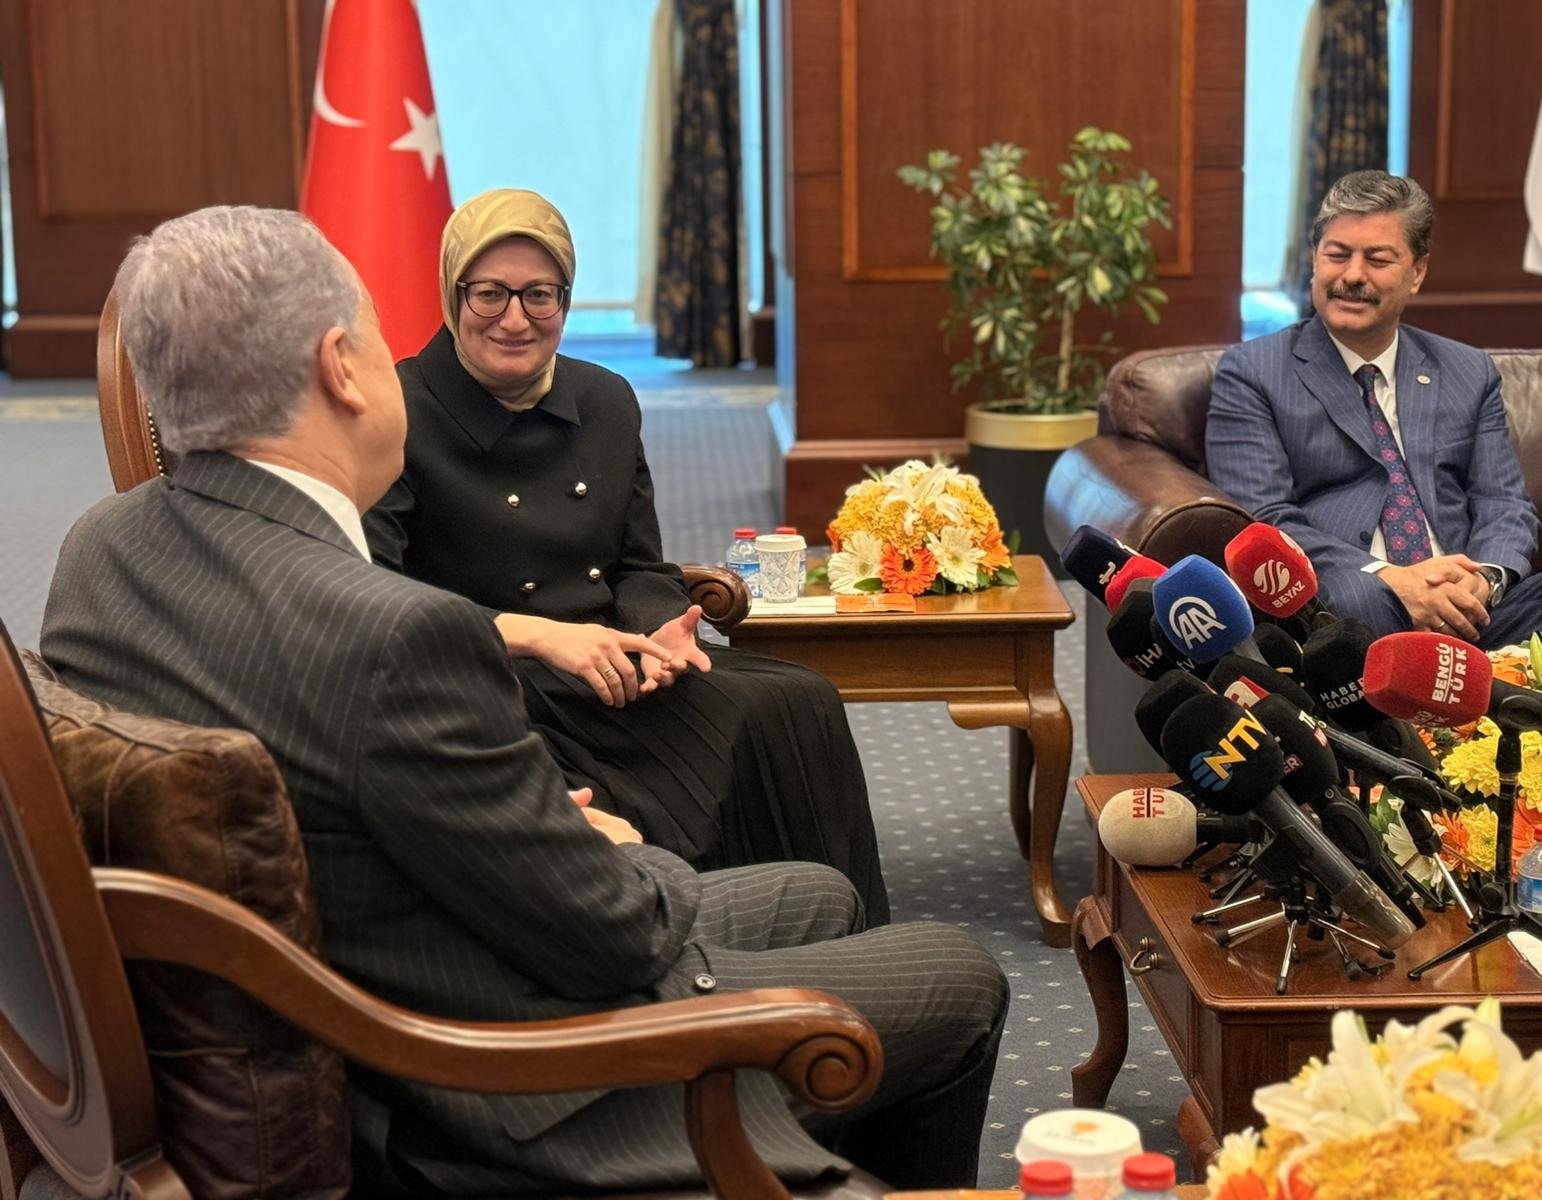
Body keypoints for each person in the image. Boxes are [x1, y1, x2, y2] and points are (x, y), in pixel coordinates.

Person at [40, 206, 1007, 1194]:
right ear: (341, 368)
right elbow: (618, 933)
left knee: (822, 895)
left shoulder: (102, 548)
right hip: (497, 1077)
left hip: (354, 979)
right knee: (959, 972)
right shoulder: (397, 636)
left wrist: (529, 822)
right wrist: (610, 844)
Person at [363, 188, 890, 925]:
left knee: (798, 702)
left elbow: (639, 564)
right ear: (453, 294)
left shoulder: (605, 398)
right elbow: (376, 599)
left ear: (566, 298)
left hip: (613, 663)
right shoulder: (396, 409)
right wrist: (541, 636)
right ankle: (701, 937)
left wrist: (662, 627)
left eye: (539, 294)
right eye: (489, 293)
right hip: (484, 675)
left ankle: (826, 937)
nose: (514, 319)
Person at [1206, 169, 1542, 645]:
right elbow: (1264, 517)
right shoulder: (1253, 372)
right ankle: (1453, 680)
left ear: (1417, 273)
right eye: (1337, 255)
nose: (1353, 275)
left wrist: (1483, 580)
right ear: (1315, 260)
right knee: (1359, 600)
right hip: (1354, 595)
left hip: (1470, 607)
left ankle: (1484, 680)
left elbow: (1503, 502)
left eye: (1377, 259)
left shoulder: (1468, 370)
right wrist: (1391, 578)